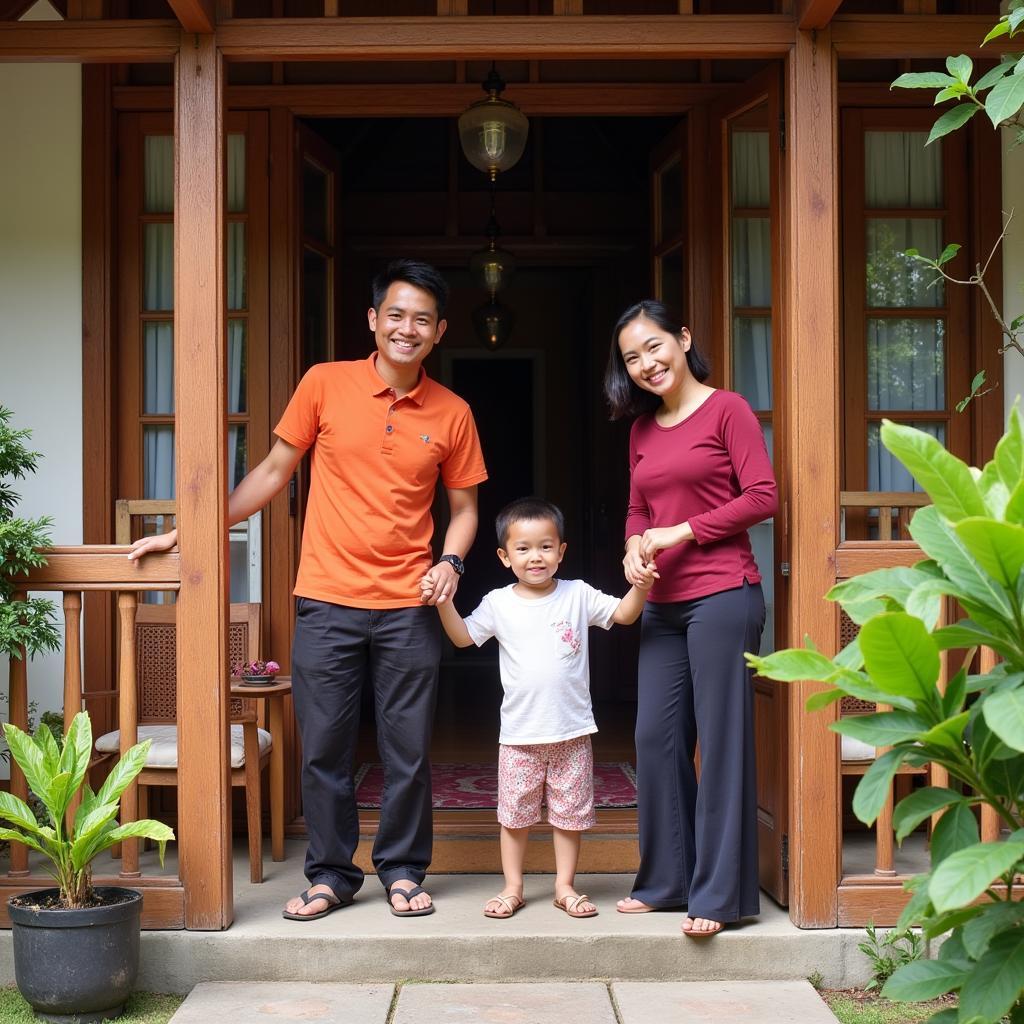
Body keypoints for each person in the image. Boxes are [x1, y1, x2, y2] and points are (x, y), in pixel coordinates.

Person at [129, 259, 487, 921]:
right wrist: (187, 532)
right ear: (374, 320)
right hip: (327, 599)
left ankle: (404, 872)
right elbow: (269, 472)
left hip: (410, 604)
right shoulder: (324, 384)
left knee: (406, 750)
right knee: (323, 746)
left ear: (439, 332)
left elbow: (464, 508)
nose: (407, 329)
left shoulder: (453, 411)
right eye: (396, 315)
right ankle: (329, 875)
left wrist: (452, 564)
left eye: (423, 320)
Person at [603, 300, 777, 938]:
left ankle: (720, 895)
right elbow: (635, 508)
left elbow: (764, 496)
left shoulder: (727, 409)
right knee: (655, 737)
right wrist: (632, 546)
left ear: (683, 336)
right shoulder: (642, 430)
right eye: (632, 358)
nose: (647, 364)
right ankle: (667, 881)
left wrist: (681, 530)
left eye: (654, 347)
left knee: (721, 741)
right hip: (664, 603)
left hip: (724, 595)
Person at [421, 496, 653, 920]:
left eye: (546, 546)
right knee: (514, 815)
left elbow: (622, 615)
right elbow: (461, 638)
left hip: (571, 731)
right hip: (520, 735)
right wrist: (443, 602)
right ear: (504, 556)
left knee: (570, 815)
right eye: (523, 549)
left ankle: (565, 886)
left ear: (561, 551)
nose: (535, 557)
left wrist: (640, 586)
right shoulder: (498, 603)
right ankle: (513, 887)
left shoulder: (577, 595)